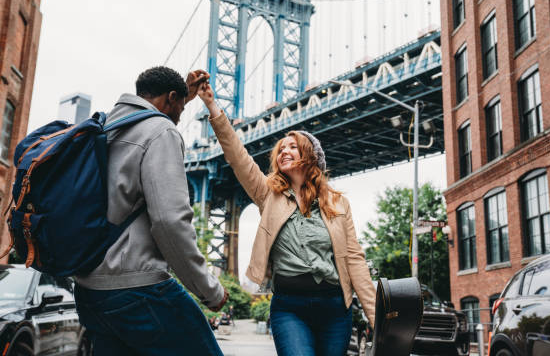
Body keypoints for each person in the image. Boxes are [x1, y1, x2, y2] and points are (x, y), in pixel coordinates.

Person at [198, 74, 376, 356]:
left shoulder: (338, 203)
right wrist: (212, 107)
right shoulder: (267, 194)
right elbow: (237, 155)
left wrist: (377, 318)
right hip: (290, 306)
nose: (284, 151)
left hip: (335, 309)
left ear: (311, 157)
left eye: (293, 146)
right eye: (281, 148)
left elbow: (354, 260)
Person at [73, 67, 228, 356]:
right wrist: (210, 290)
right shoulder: (161, 130)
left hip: (89, 292)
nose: (179, 118)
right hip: (138, 289)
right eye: (180, 109)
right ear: (171, 98)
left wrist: (186, 95)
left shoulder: (106, 126)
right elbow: (170, 222)